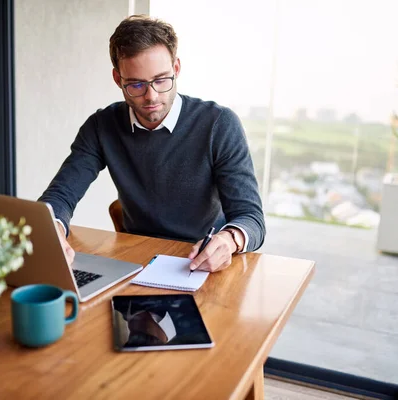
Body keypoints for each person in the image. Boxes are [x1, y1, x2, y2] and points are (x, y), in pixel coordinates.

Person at [38, 15, 265, 273]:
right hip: (138, 259)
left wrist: (229, 239)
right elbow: (61, 195)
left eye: (161, 80)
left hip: (201, 261)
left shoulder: (219, 124)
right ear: (117, 78)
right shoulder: (102, 126)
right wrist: (52, 228)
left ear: (176, 69)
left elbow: (251, 218)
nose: (152, 96)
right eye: (136, 84)